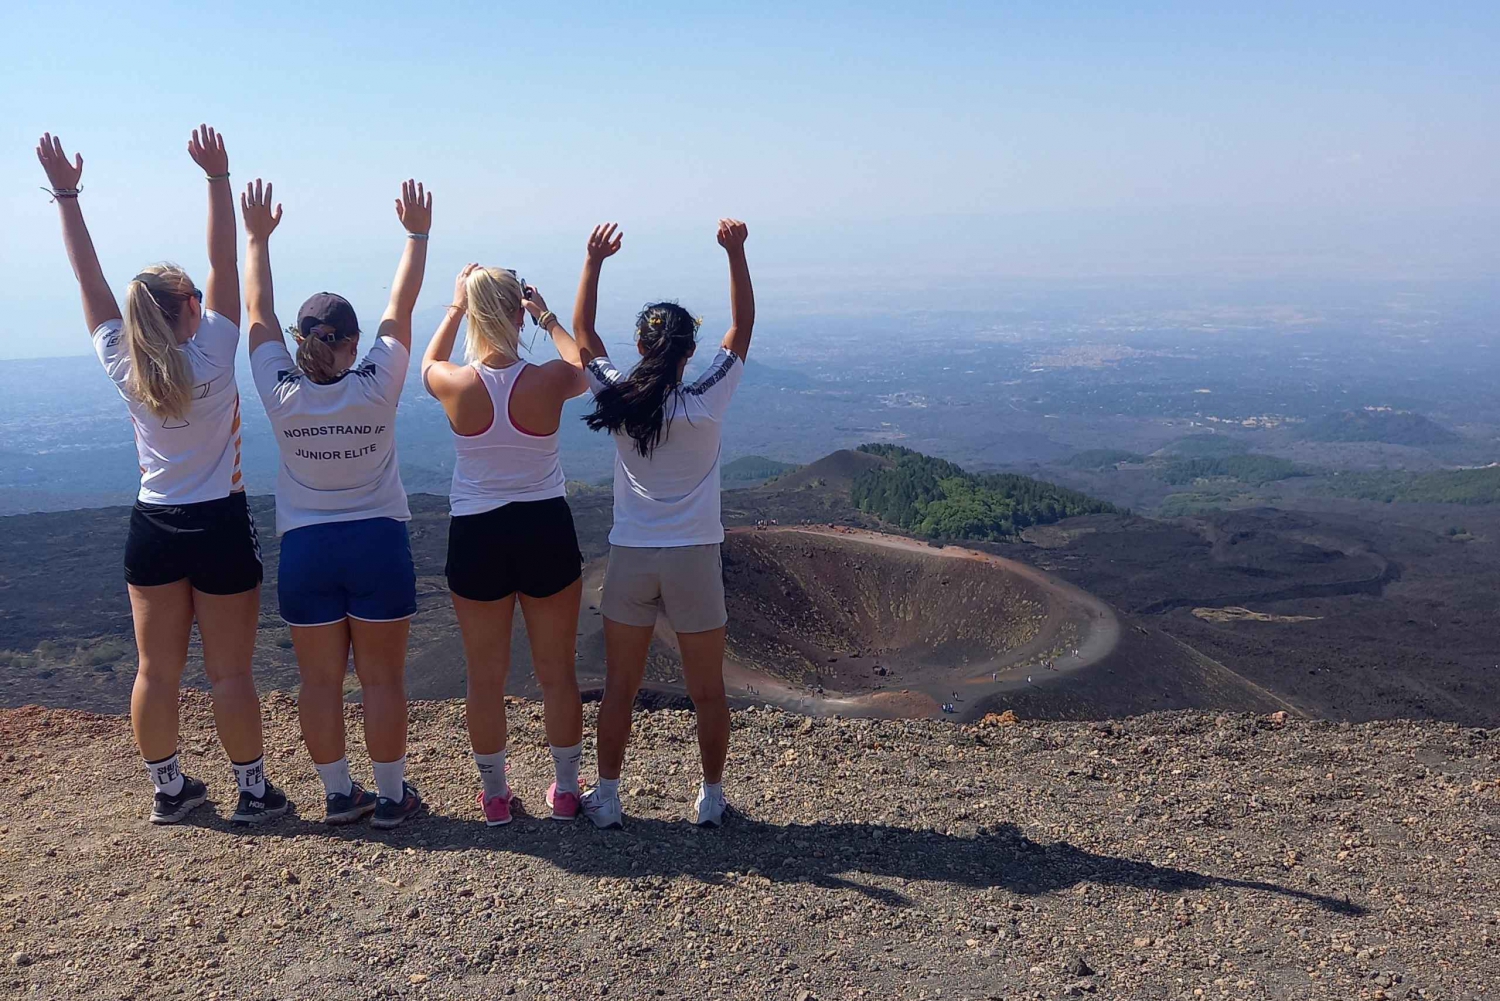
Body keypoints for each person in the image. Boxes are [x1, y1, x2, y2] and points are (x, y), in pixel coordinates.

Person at [35, 128, 289, 825]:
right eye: (195, 301)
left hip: (152, 527)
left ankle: (169, 789)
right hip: (219, 522)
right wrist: (218, 179)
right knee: (231, 671)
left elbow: (89, 282)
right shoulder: (214, 350)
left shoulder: (127, 364)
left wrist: (66, 195)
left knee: (157, 669)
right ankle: (252, 791)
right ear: (188, 310)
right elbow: (222, 262)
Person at [241, 178, 431, 828]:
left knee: (319, 683)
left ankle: (337, 794)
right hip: (377, 540)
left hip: (306, 548)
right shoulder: (377, 385)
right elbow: (400, 305)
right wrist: (416, 234)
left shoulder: (281, 392)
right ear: (352, 343)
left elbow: (257, 311)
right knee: (382, 681)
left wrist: (258, 239)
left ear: (302, 340)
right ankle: (391, 796)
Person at [571, 219, 753, 828]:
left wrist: (593, 262)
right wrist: (735, 253)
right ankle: (709, 797)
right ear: (686, 352)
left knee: (620, 685)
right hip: (695, 556)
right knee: (708, 691)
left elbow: (584, 335)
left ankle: (609, 796)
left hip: (631, 556)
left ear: (643, 347)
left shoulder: (620, 399)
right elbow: (742, 329)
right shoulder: (706, 402)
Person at [422, 262, 591, 825]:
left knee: (484, 675)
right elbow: (580, 365)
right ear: (518, 314)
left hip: (477, 532)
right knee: (557, 672)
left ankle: (495, 797)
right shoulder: (546, 380)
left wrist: (454, 306)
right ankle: (566, 790)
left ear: (473, 313)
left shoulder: (455, 383)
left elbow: (427, 363)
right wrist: (544, 314)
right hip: (544, 526)